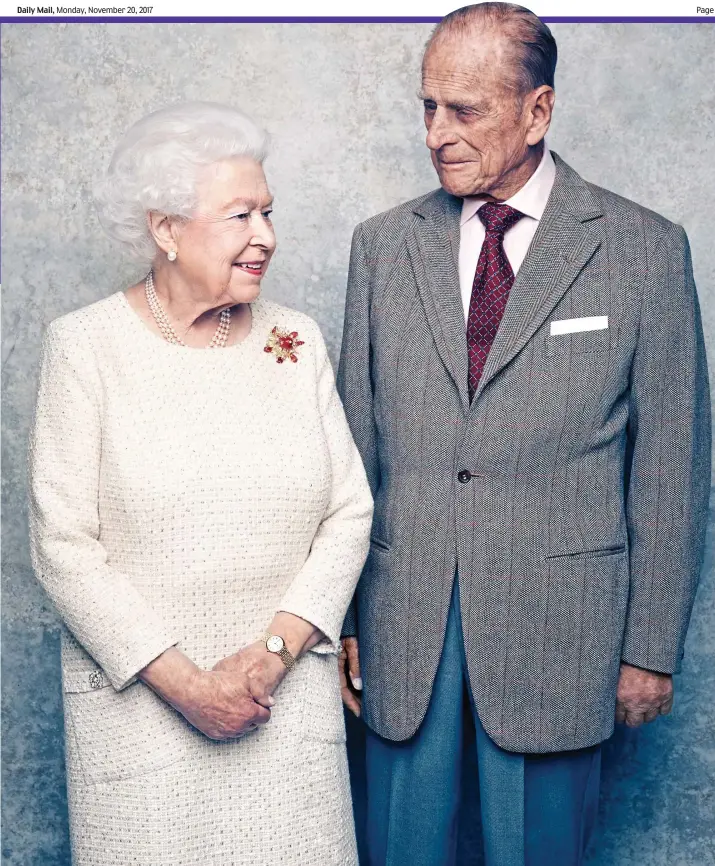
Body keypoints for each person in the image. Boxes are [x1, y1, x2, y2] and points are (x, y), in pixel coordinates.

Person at [336, 4, 711, 865]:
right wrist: (346, 619)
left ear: (537, 112)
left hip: (562, 634)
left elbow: (670, 470)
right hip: (402, 626)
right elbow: (354, 452)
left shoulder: (645, 251)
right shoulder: (381, 247)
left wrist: (649, 648)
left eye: (462, 111)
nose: (436, 134)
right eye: (427, 107)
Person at [28, 101, 373, 866]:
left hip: (280, 710)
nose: (267, 237)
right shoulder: (85, 347)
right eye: (240, 215)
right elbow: (63, 546)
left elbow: (349, 512)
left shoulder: (296, 340)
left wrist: (273, 655)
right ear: (166, 229)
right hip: (143, 722)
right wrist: (188, 685)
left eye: (269, 212)